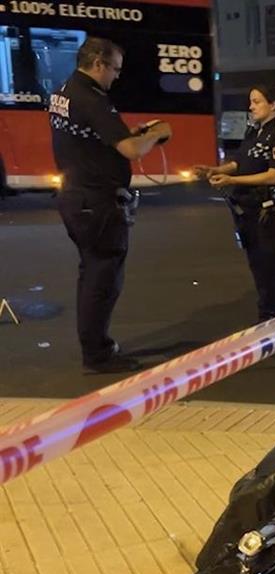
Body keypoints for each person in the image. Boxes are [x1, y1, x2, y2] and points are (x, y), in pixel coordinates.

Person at [50, 36, 173, 373]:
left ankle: (95, 345)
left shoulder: (64, 91)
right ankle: (97, 354)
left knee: (91, 272)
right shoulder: (92, 99)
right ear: (98, 64)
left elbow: (96, 137)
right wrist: (157, 133)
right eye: (115, 69)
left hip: (76, 197)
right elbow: (131, 150)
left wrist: (134, 132)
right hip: (96, 202)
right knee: (103, 278)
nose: (117, 76)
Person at [194, 86, 275, 322]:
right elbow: (240, 162)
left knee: (274, 267)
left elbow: (274, 176)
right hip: (248, 209)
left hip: (270, 209)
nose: (251, 107)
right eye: (251, 101)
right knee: (258, 265)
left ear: (273, 105)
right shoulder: (255, 130)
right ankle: (267, 317)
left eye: (257, 101)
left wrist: (231, 180)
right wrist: (216, 170)